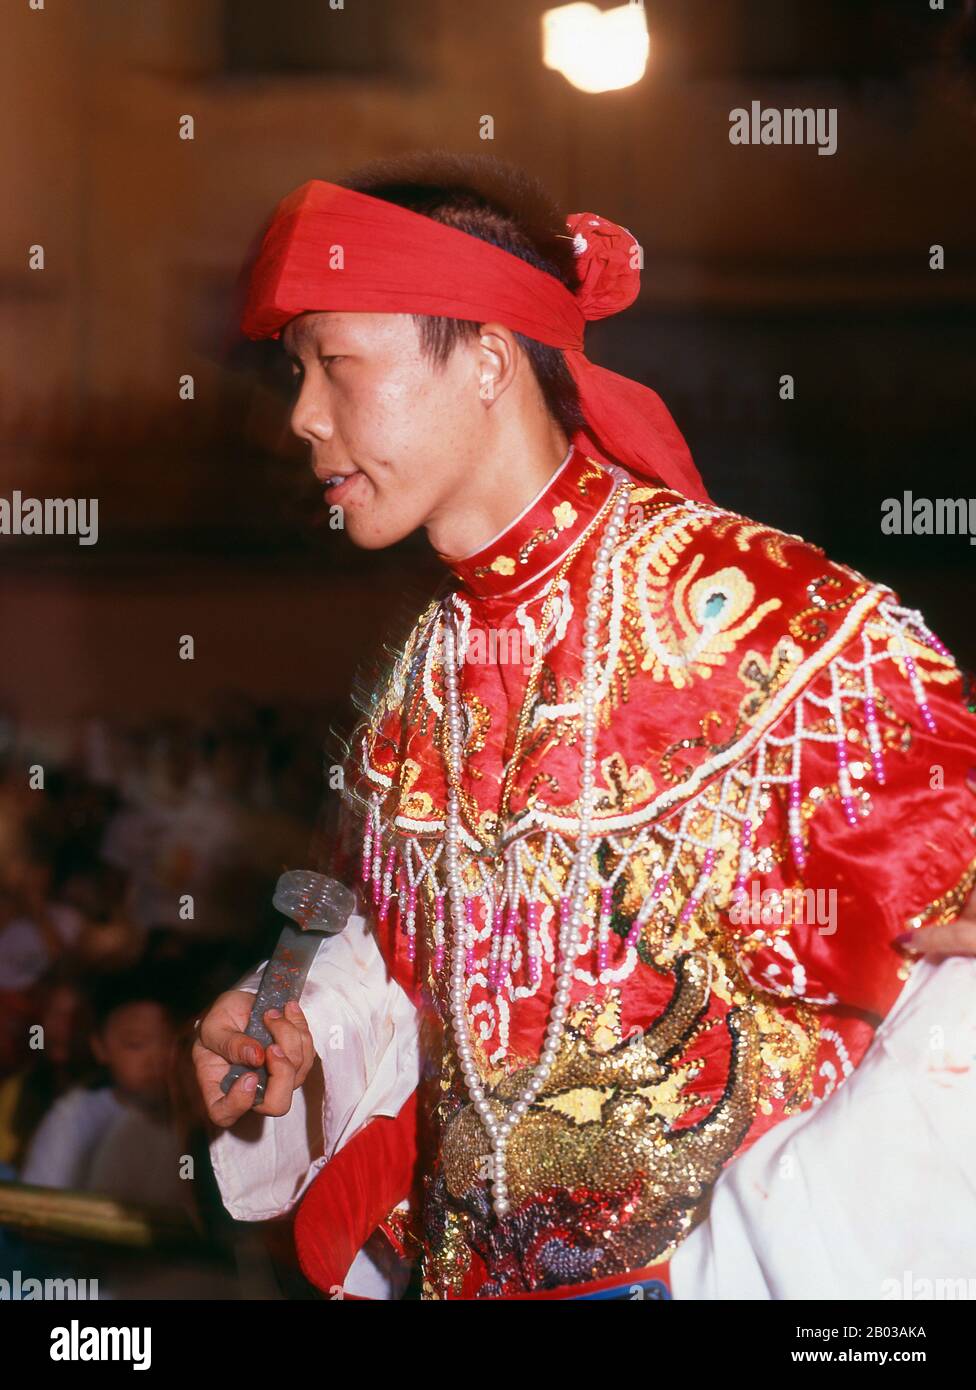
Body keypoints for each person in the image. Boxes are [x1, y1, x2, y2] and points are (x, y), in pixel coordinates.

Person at [194, 152, 976, 1301]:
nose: (304, 416)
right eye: (297, 373)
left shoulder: (760, 626)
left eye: (336, 366)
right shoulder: (422, 681)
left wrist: (771, 1255)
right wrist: (307, 1034)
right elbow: (434, 971)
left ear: (487, 360)